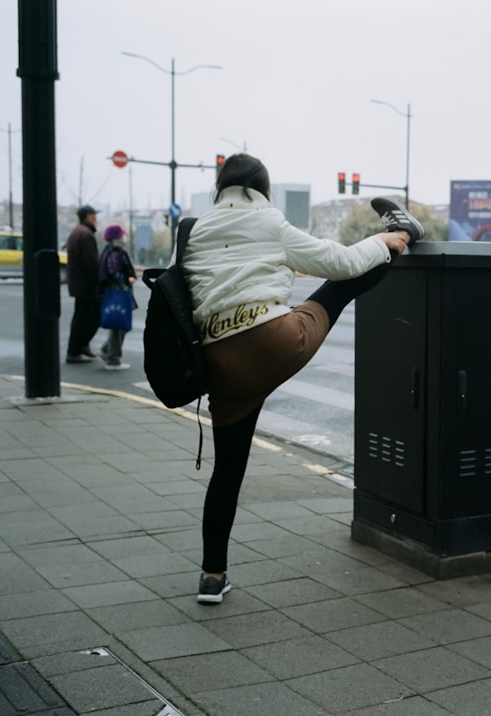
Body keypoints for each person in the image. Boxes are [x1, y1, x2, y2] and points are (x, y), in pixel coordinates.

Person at [183, 153, 421, 603]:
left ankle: (212, 576)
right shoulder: (269, 222)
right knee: (340, 287)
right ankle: (399, 232)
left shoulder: (195, 232)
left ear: (222, 187)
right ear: (262, 188)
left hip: (220, 365)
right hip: (273, 342)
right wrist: (382, 243)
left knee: (227, 473)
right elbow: (340, 262)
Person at [97, 224, 137, 370]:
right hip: (118, 292)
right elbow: (113, 272)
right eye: (121, 235)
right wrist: (128, 279)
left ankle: (106, 350)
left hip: (116, 292)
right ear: (115, 237)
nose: (123, 238)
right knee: (119, 324)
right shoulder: (115, 253)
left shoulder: (113, 251)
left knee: (120, 324)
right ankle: (113, 359)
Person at [65, 205, 101, 363]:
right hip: (87, 285)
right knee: (92, 316)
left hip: (78, 284)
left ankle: (80, 347)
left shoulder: (76, 232)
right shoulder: (86, 235)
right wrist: (98, 283)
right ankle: (76, 349)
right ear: (87, 216)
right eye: (94, 214)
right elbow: (91, 263)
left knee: (81, 316)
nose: (96, 217)